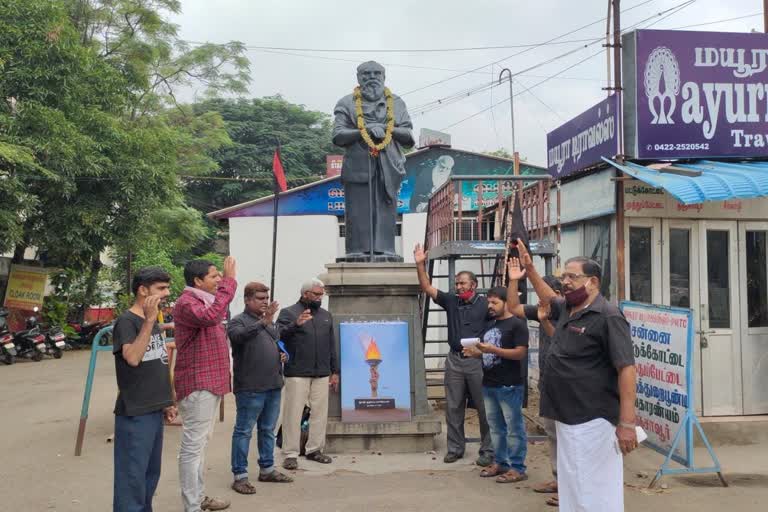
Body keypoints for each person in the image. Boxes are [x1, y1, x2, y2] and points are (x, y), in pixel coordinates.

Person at [508, 240, 638, 512]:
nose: (564, 281)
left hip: (593, 419)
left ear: (592, 282)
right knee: (573, 486)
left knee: (595, 488)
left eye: (572, 277)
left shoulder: (608, 316)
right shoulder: (568, 308)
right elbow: (547, 297)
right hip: (566, 416)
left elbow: (626, 368)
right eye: (563, 276)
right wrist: (530, 269)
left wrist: (627, 423)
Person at [414, 243, 493, 466]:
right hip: (455, 361)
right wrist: (420, 265)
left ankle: (488, 450)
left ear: (474, 285)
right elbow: (427, 288)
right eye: (456, 283)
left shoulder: (486, 304)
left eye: (462, 283)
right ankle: (455, 448)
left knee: (484, 407)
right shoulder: (451, 301)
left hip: (478, 362)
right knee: (453, 406)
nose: (458, 287)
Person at [332, 60, 415, 261]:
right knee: (358, 212)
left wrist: (388, 130)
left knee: (386, 210)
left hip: (389, 167)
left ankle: (385, 250)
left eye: (376, 74)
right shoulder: (347, 103)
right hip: (358, 166)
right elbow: (338, 135)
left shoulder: (396, 102)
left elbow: (409, 137)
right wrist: (364, 131)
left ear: (384, 77)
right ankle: (356, 251)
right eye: (366, 74)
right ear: (358, 78)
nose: (372, 78)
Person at [173, 257, 237, 512]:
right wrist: (230, 281)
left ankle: (198, 499)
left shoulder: (204, 300)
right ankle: (192, 505)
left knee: (199, 448)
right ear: (197, 281)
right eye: (214, 276)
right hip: (198, 384)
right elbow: (210, 317)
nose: (219, 279)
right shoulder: (187, 303)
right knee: (192, 449)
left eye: (219, 276)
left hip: (210, 383)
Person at [112, 266, 177, 512]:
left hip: (154, 409)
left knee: (150, 476)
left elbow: (159, 363)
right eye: (161, 288)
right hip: (135, 412)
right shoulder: (127, 322)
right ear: (142, 290)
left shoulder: (153, 322)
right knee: (132, 480)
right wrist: (150, 321)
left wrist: (167, 401)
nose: (167, 293)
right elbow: (133, 357)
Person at [227, 282, 293, 495]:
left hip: (273, 385)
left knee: (268, 430)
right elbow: (239, 338)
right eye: (260, 298)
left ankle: (267, 469)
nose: (265, 301)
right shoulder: (238, 322)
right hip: (250, 387)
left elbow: (278, 344)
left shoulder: (270, 324)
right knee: (244, 431)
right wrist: (264, 322)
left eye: (266, 298)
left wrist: (283, 354)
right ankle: (240, 476)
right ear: (247, 300)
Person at [506, 267, 563, 506]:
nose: (540, 301)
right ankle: (558, 479)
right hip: (548, 383)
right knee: (552, 435)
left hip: (568, 386)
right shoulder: (542, 310)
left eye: (544, 295)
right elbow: (513, 308)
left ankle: (569, 489)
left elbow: (560, 339)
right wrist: (512, 281)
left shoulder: (569, 313)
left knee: (568, 438)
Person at [463, 286, 529, 483]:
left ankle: (518, 468)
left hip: (509, 386)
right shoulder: (489, 325)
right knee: (495, 428)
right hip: (489, 384)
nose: (490, 306)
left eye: (494, 302)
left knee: (513, 429)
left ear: (506, 303)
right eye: (488, 302)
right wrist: (476, 353)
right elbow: (488, 353)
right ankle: (501, 462)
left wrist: (493, 349)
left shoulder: (517, 324)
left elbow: (520, 353)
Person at [277, 278, 339, 470]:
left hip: (321, 373)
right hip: (297, 372)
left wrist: (334, 371)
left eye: (322, 294)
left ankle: (314, 450)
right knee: (293, 414)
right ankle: (291, 453)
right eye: (317, 294)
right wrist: (295, 324)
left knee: (319, 414)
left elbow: (331, 345)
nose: (321, 298)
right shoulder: (288, 313)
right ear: (305, 294)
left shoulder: (326, 316)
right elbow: (278, 335)